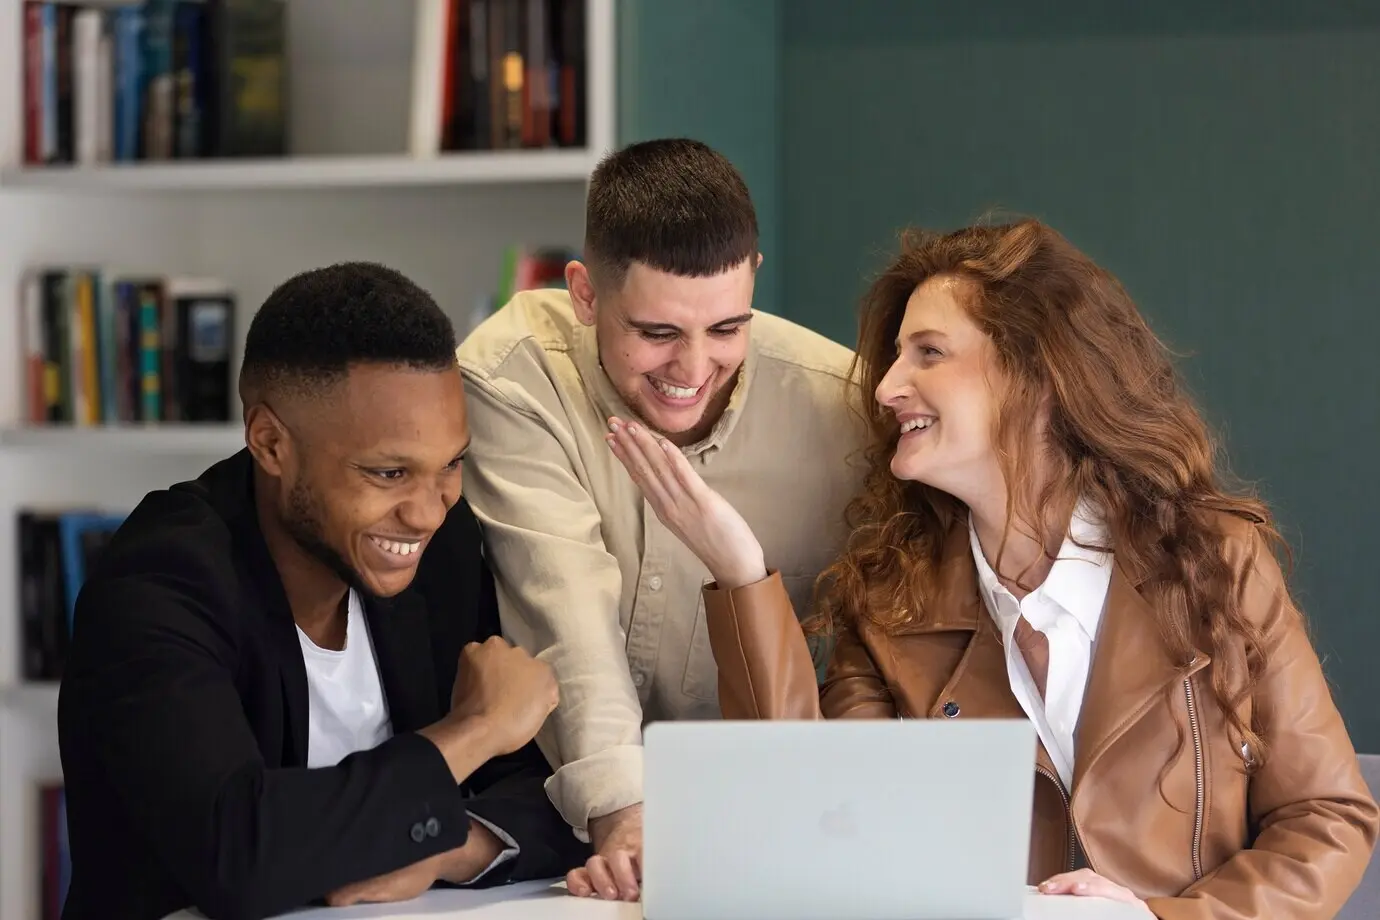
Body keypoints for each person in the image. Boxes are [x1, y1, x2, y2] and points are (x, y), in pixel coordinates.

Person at [599, 219, 1380, 917]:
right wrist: (739, 573)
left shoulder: (1216, 562)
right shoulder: (888, 602)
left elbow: (1328, 818)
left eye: (928, 354)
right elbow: (813, 824)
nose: (887, 387)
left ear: (1038, 377)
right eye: (896, 356)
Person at [57, 263, 589, 920]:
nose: (427, 510)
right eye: (389, 472)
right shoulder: (160, 582)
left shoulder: (442, 548)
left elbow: (567, 799)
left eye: (451, 464)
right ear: (270, 442)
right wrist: (474, 729)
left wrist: (448, 849)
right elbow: (241, 855)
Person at [457, 137, 867, 898]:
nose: (692, 370)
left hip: (782, 829)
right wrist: (627, 815)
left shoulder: (844, 407)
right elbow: (565, 606)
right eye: (657, 334)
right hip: (564, 820)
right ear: (584, 293)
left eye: (726, 328)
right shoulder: (512, 375)